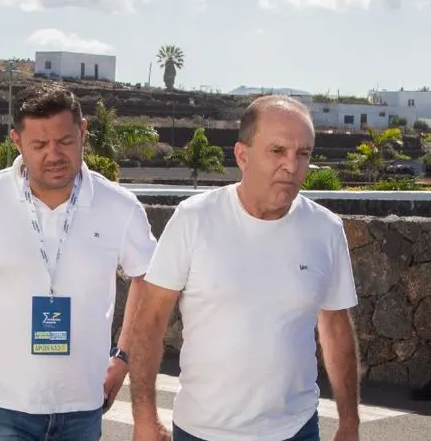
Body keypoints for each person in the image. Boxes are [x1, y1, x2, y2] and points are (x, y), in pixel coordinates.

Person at [0, 81, 159, 440]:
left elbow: (149, 281)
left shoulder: (120, 208)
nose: (54, 155)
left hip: (81, 408)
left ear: (83, 132)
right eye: (39, 145)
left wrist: (123, 358)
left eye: (65, 141)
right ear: (17, 142)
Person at [128, 95, 361, 441]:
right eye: (277, 151)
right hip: (201, 431)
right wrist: (144, 418)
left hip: (295, 430)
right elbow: (149, 321)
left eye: (303, 154)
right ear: (242, 155)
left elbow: (336, 329)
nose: (292, 166)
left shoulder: (325, 230)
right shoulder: (194, 219)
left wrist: (349, 423)